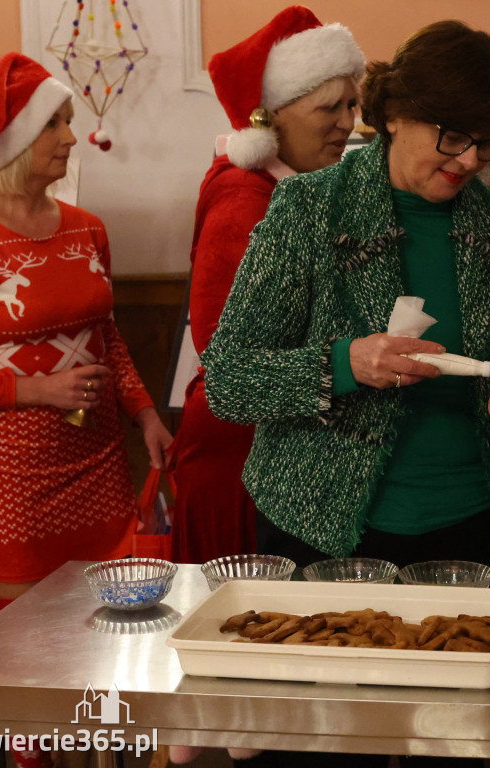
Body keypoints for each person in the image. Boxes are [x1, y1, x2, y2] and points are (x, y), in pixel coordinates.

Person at [202, 18, 490, 581]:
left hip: (474, 530)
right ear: (394, 115)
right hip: (322, 530)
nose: (471, 160)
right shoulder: (308, 209)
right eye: (453, 136)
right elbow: (228, 380)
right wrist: (343, 364)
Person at [0, 53, 172, 768]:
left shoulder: (87, 228)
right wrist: (36, 391)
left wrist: (145, 415)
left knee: (101, 640)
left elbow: (108, 341)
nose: (72, 137)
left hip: (100, 463)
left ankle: (102, 752)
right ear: (16, 140)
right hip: (16, 481)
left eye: (69, 121)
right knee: (29, 655)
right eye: (56, 124)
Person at [170, 5, 365, 565]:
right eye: (328, 107)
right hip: (244, 458)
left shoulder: (299, 189)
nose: (347, 122)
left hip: (280, 443)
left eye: (352, 103)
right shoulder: (243, 201)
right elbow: (225, 350)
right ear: (266, 120)